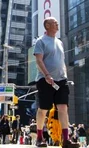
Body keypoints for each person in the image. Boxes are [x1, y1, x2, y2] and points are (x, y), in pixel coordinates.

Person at [34, 17, 71, 148]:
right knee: (43, 108)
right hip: (45, 80)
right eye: (55, 23)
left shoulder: (60, 42)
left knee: (63, 108)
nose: (57, 24)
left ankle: (66, 139)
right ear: (47, 26)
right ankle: (39, 138)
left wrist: (64, 75)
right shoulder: (40, 41)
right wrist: (47, 75)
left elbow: (61, 61)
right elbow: (39, 61)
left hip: (61, 80)